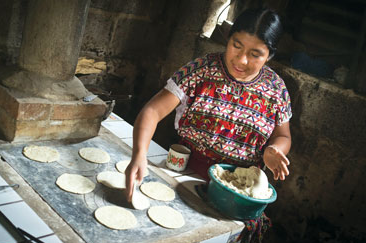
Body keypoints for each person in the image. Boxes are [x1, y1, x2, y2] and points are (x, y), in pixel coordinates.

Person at [125, 7, 292, 202]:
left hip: (240, 190)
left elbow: (283, 135)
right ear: (228, 39)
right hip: (186, 174)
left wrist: (275, 149)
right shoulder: (200, 71)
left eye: (255, 54)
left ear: (269, 55)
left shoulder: (276, 89)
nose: (241, 59)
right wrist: (139, 154)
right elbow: (153, 111)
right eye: (236, 46)